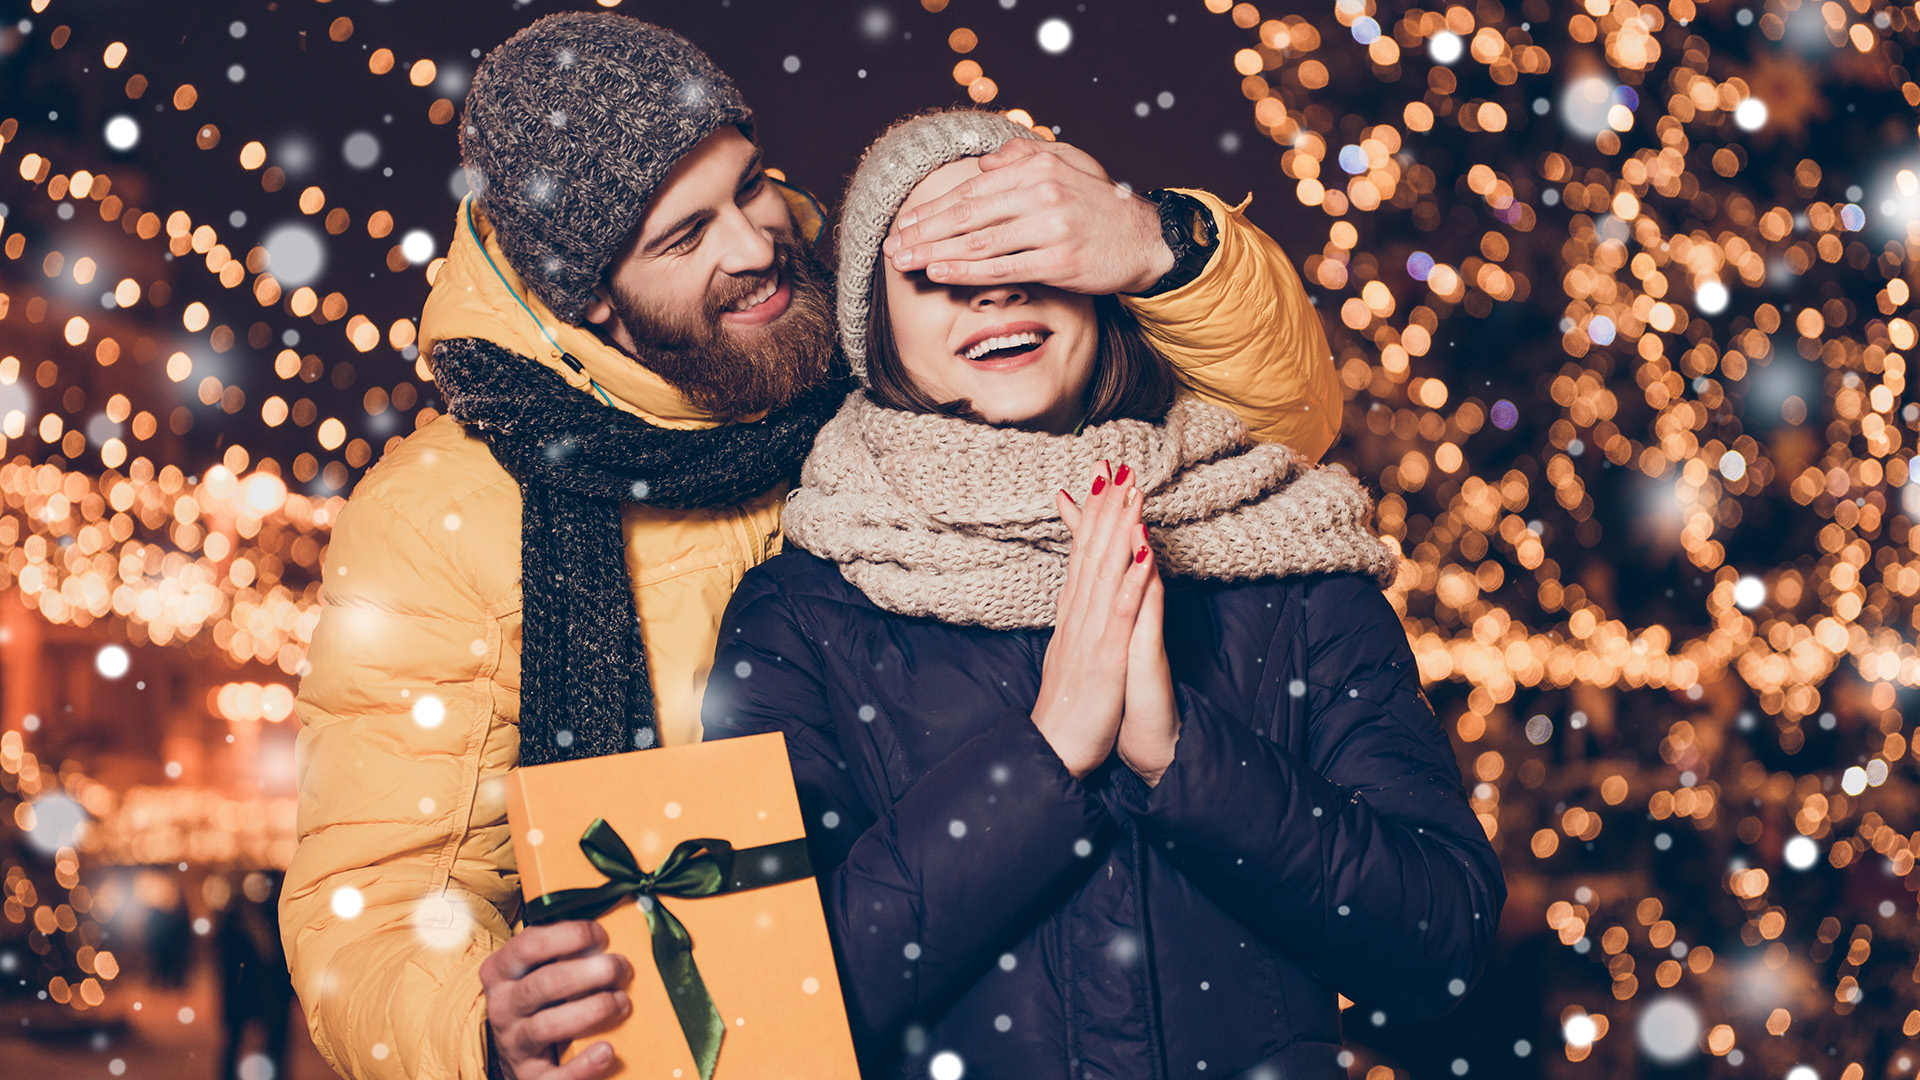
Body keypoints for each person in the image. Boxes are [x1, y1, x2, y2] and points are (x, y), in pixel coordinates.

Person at [279, 13, 1339, 1080]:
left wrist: (1164, 250)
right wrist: (481, 1029)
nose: (754, 246)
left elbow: (1274, 428)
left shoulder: (875, 328)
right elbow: (367, 902)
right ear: (590, 295)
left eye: (747, 185)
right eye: (684, 236)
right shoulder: (447, 515)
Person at [702, 109, 1507, 1079]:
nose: (993, 285)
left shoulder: (1286, 555)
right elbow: (763, 1014)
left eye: (1023, 245)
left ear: (1100, 281)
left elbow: (1442, 948)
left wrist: (1182, 757)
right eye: (935, 264)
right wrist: (1044, 758)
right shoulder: (801, 613)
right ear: (875, 328)